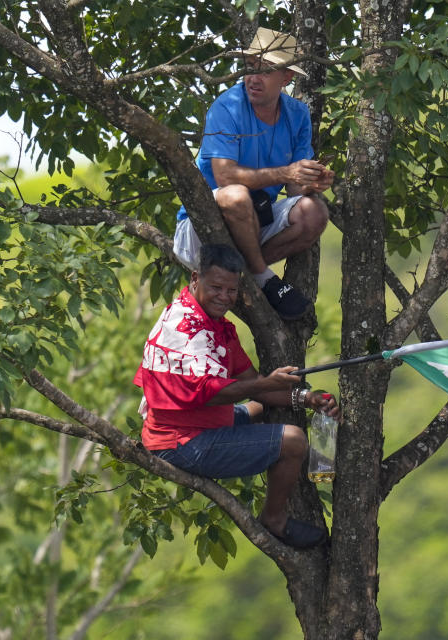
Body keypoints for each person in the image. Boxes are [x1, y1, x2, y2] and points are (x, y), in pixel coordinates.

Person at [134, 243, 340, 548]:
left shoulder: (214, 324)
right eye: (216, 287)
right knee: (294, 440)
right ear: (195, 278)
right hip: (181, 443)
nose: (224, 297)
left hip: (198, 424)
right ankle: (274, 520)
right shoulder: (186, 328)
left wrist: (306, 399)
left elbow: (252, 381)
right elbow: (214, 394)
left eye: (231, 290)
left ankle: (300, 430)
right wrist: (268, 384)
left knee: (259, 407)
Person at [173, 27, 335, 321]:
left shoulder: (297, 114)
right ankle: (263, 279)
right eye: (249, 68)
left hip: (252, 226)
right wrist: (288, 172)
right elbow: (224, 178)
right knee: (235, 195)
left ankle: (240, 273)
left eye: (265, 70)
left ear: (287, 77)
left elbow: (296, 191)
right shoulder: (228, 106)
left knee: (314, 211)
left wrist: (312, 182)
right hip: (201, 229)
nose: (253, 78)